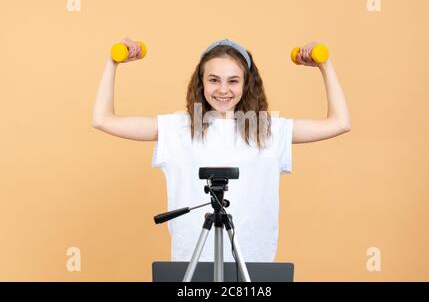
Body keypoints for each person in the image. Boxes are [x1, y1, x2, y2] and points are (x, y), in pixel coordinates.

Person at [92, 37, 351, 262]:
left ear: (247, 84)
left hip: (253, 267)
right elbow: (103, 119)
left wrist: (324, 66)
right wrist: (112, 63)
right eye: (214, 80)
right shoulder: (178, 129)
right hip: (193, 268)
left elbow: (339, 123)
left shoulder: (267, 130)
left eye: (233, 81)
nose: (223, 89)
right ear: (201, 83)